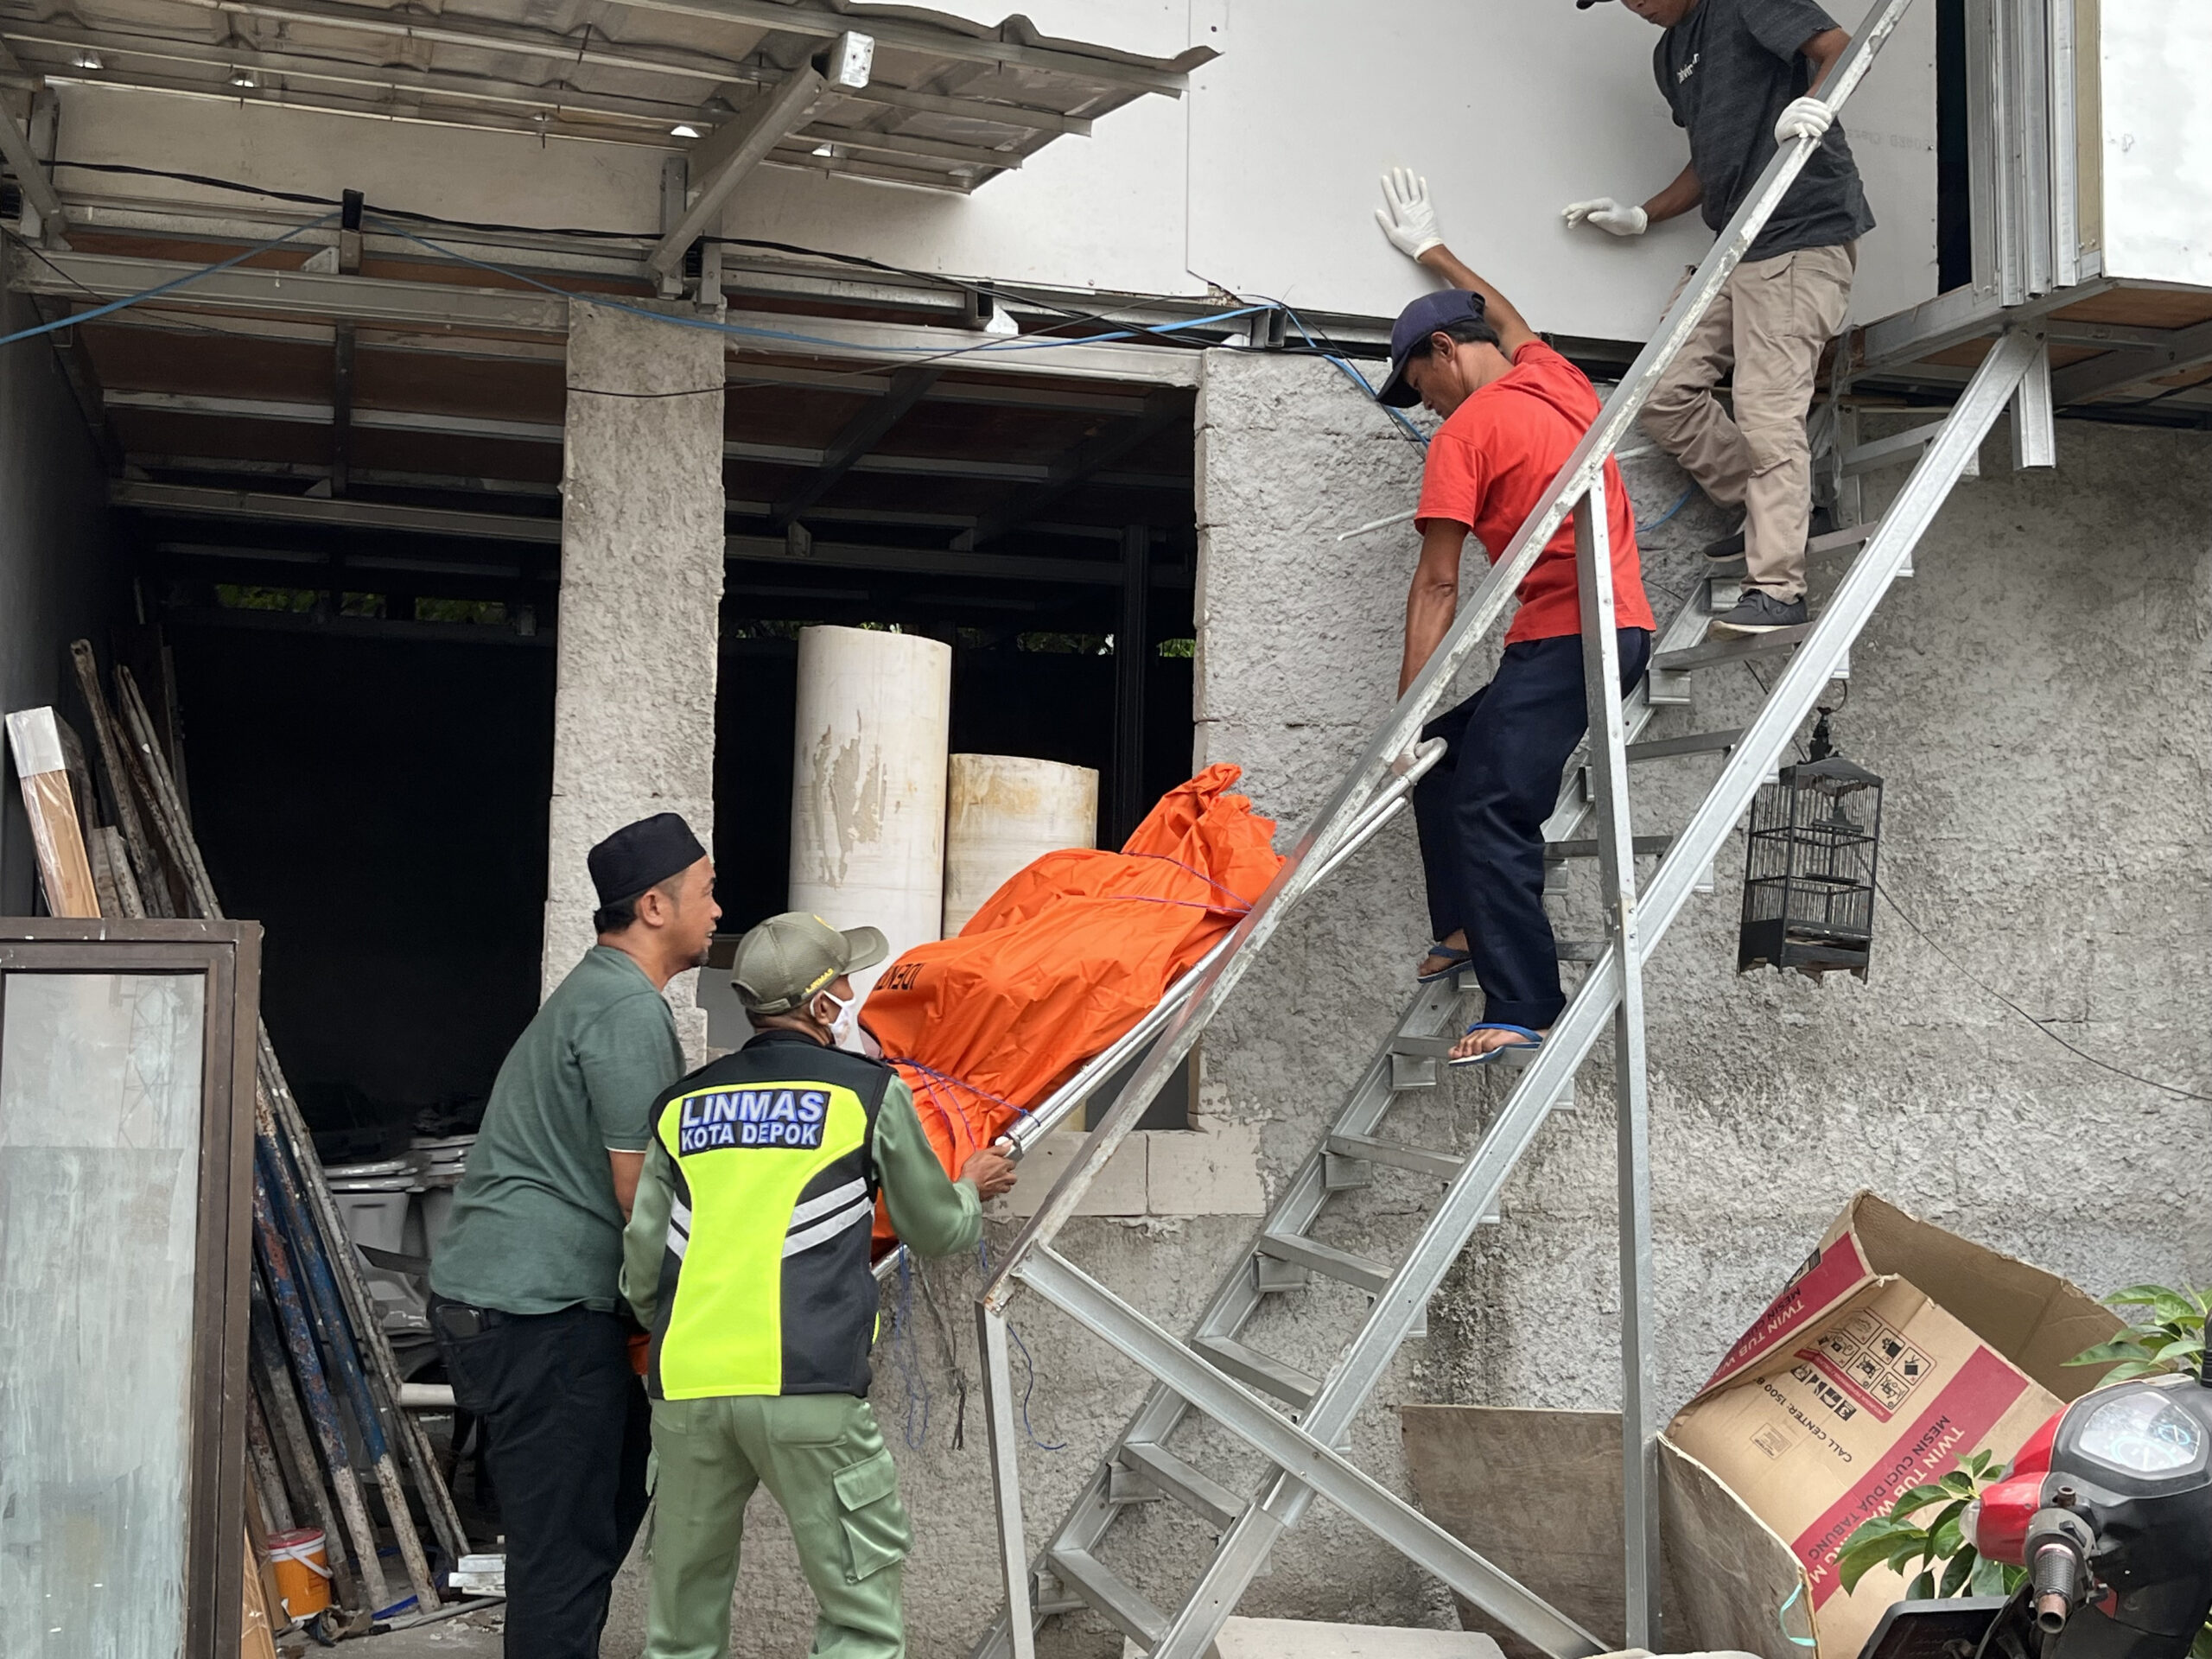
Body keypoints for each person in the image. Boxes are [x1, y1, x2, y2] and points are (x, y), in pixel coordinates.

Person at [623, 912, 1019, 1659]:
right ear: (823, 1005)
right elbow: (934, 1229)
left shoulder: (682, 1105)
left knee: (680, 1628)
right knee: (859, 1618)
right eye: (843, 981)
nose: (849, 991)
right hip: (807, 1388)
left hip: (688, 1393)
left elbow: (644, 1268)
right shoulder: (863, 1091)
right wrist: (970, 1187)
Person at [1374, 168, 1658, 1066]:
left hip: (1570, 639)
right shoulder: (1557, 380)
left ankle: (1523, 1001)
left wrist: (1401, 714)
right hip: (1608, 630)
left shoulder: (1465, 433)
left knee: (1490, 805)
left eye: (1417, 382)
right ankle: (1462, 926)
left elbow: (1437, 586)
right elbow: (1504, 312)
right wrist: (1430, 251)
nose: (1423, 402)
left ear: (1442, 355)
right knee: (1446, 760)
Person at [427, 811, 720, 1659]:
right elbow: (642, 1199)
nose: (716, 909)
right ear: (655, 907)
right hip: (538, 1314)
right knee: (564, 1559)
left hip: (528, 1307)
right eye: (705, 892)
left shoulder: (598, 993)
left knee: (594, 1526)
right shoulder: (625, 1009)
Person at [1564, 0, 1872, 638]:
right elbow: (1709, 161)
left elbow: (1841, 45)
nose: (1634, 5)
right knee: (1662, 390)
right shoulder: (1670, 54)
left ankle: (1779, 587)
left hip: (1799, 230)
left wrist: (1817, 103)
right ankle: (1777, 513)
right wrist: (1645, 215)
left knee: (1766, 408)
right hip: (1736, 244)